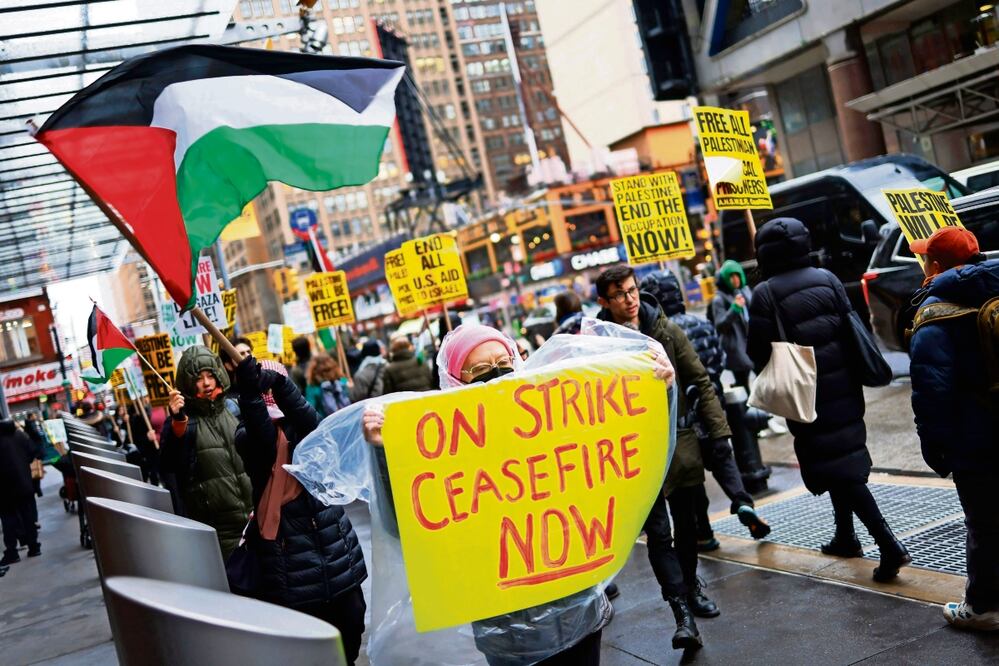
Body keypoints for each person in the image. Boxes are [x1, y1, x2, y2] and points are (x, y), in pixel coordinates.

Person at [361, 323, 674, 664]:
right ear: (454, 382)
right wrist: (381, 449)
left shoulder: (549, 418)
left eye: (503, 361)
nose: (496, 375)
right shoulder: (443, 446)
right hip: (508, 631)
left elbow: (628, 453)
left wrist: (660, 390)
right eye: (479, 370)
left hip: (578, 609)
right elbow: (404, 524)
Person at [747, 218, 910, 582]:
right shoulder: (827, 278)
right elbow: (850, 326)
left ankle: (888, 545)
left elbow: (756, 352)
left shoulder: (765, 294)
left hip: (805, 392)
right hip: (846, 385)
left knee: (841, 469)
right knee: (842, 459)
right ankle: (845, 536)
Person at [596, 264, 732, 650]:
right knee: (659, 534)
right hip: (635, 454)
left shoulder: (666, 329)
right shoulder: (599, 341)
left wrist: (719, 433)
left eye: (632, 290)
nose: (630, 299)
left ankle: (691, 588)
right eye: (620, 294)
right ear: (604, 301)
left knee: (687, 526)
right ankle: (681, 614)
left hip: (679, 446)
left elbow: (700, 380)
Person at [235, 358, 368, 663]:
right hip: (289, 559)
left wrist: (282, 384)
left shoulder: (304, 428)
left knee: (351, 626)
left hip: (335, 551)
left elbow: (312, 423)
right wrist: (251, 396)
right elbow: (263, 438)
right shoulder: (247, 436)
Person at [906, 226, 999, 630]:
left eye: (926, 257)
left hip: (975, 438)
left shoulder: (934, 314)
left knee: (984, 521)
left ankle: (983, 607)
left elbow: (932, 390)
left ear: (936, 265)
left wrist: (935, 446)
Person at [641, 271, 770, 550]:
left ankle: (705, 532)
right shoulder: (700, 323)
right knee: (723, 458)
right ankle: (742, 501)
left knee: (693, 476)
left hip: (684, 414)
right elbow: (719, 358)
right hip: (712, 403)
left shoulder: (660, 334)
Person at [159, 346, 254, 559]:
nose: (206, 383)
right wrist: (177, 421)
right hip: (219, 530)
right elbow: (170, 465)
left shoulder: (235, 408)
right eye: (199, 378)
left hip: (256, 517)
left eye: (210, 375)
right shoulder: (182, 421)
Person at [0, 418, 41, 564]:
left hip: (4, 489)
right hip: (24, 483)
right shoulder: (18, 434)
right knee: (28, 516)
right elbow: (33, 452)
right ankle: (34, 546)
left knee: (8, 520)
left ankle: (12, 552)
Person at [710, 260, 754, 393]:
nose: (735, 280)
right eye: (731, 276)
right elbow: (720, 325)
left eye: (737, 275)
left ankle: (761, 409)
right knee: (743, 384)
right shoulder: (719, 299)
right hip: (735, 347)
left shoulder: (745, 290)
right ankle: (746, 410)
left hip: (751, 342)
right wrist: (734, 309)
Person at [305, 353, 352, 418]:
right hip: (349, 417)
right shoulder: (343, 381)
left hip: (328, 424)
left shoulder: (312, 388)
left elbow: (310, 411)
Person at [220, 336, 254, 418]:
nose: (248, 356)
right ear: (228, 365)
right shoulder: (229, 402)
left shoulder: (265, 383)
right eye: (241, 354)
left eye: (249, 352)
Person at [128, 401, 160, 486]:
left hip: (160, 448)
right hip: (148, 452)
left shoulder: (157, 412)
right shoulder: (137, 419)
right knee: (154, 474)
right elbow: (136, 439)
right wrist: (147, 438)